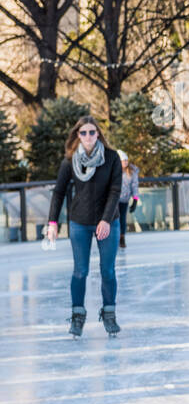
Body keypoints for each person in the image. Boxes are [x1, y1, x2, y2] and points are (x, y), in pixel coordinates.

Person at [45, 116, 123, 337]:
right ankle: (77, 316)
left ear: (98, 133)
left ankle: (109, 314)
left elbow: (115, 190)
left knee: (107, 271)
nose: (88, 137)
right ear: (77, 135)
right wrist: (52, 222)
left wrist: (106, 220)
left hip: (108, 222)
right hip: (79, 222)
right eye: (83, 133)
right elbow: (59, 192)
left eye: (92, 132)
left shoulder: (111, 157)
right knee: (80, 271)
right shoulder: (70, 160)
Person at [117, 150, 140, 248]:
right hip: (113, 200)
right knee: (113, 219)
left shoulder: (132, 172)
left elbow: (135, 186)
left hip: (124, 200)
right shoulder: (114, 171)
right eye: (123, 161)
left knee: (122, 219)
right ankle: (113, 238)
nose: (125, 162)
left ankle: (122, 238)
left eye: (126, 160)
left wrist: (135, 200)